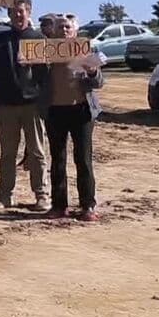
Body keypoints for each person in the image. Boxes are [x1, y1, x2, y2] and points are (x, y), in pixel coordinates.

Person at [0, 0, 49, 211]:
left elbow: (46, 75)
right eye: (14, 12)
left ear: (29, 12)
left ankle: (41, 195)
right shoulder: (1, 39)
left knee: (37, 151)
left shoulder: (38, 39)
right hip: (6, 105)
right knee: (7, 154)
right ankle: (5, 195)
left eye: (22, 11)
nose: (18, 15)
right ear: (9, 14)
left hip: (32, 104)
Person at [39, 15, 103, 222]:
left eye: (67, 27)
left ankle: (88, 205)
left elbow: (99, 82)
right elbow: (34, 79)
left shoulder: (86, 51)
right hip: (55, 112)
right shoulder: (45, 52)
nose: (64, 30)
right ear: (53, 31)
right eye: (60, 27)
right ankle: (59, 206)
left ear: (75, 31)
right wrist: (28, 65)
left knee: (83, 159)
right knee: (57, 160)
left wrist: (92, 72)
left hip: (81, 111)